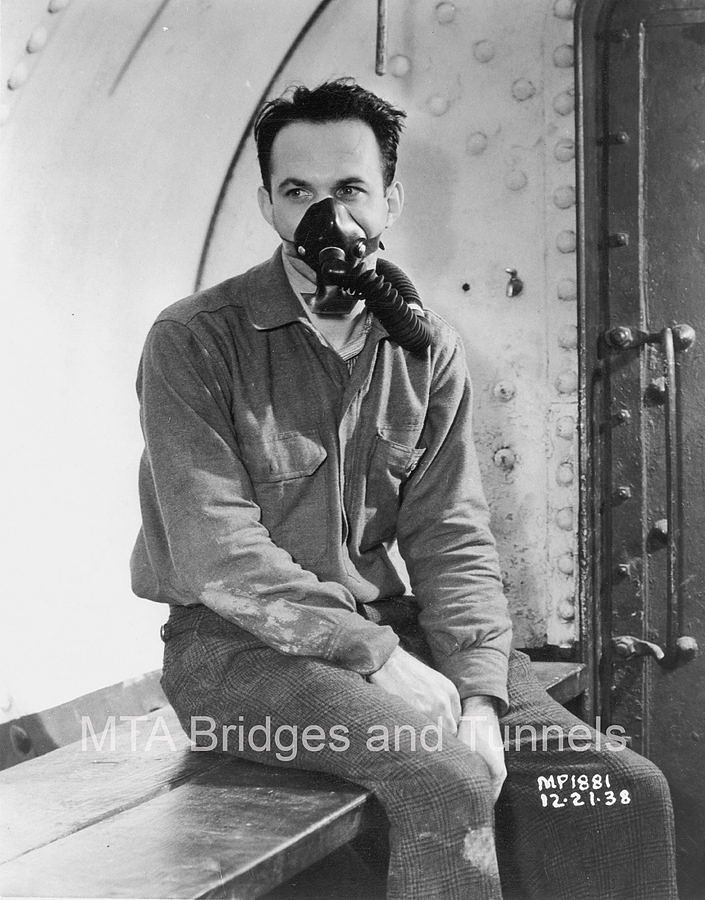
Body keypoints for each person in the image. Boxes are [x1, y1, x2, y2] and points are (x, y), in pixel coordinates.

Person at [131, 79, 677, 899]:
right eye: (298, 193)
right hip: (239, 656)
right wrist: (377, 659)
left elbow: (451, 537)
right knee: (445, 777)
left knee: (614, 789)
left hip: (392, 638)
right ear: (264, 205)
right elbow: (219, 556)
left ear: (389, 198)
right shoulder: (195, 340)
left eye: (349, 189)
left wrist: (483, 696)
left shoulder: (424, 350)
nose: (328, 217)